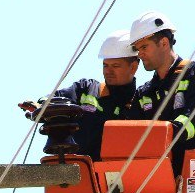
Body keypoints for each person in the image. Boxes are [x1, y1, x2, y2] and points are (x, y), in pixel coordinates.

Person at [129, 11, 195, 175]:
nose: (140, 54)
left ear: (164, 43)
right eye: (137, 49)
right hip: (159, 177)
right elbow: (129, 134)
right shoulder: (144, 93)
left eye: (144, 47)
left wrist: (162, 134)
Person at [20, 30, 141, 160]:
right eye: (105, 65)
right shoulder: (85, 89)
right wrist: (40, 104)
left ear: (133, 67)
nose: (108, 71)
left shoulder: (139, 101)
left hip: (114, 175)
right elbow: (55, 98)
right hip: (76, 171)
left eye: (115, 66)